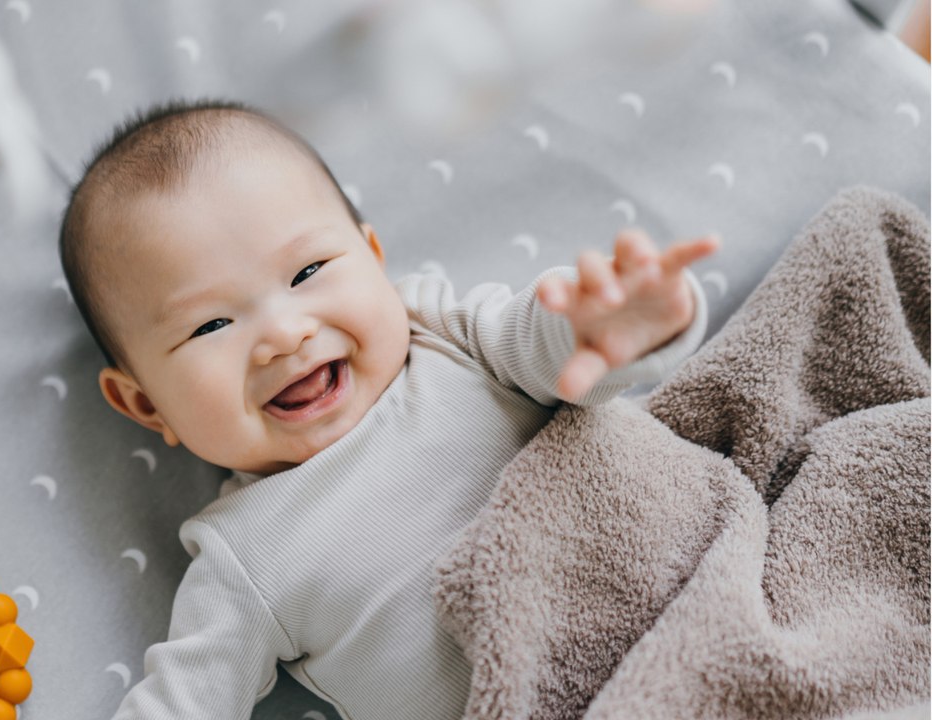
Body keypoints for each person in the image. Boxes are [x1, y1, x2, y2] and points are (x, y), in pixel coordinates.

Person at [59, 98, 718, 719]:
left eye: (308, 272)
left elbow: (548, 343)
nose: (285, 335)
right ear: (146, 406)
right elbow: (183, 702)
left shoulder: (447, 336)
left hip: (704, 610)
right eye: (210, 326)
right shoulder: (246, 553)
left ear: (373, 259)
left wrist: (616, 327)